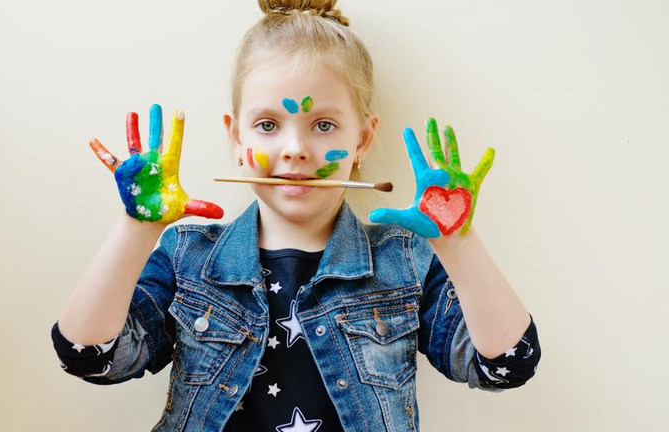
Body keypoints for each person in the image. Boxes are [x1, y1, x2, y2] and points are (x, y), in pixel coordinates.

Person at [51, 1, 541, 430]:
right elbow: (89, 357)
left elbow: (506, 366)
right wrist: (137, 229)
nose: (295, 150)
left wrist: (458, 244)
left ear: (363, 140)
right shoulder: (187, 257)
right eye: (267, 125)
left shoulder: (405, 262)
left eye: (323, 125)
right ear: (237, 138)